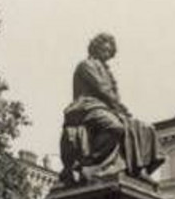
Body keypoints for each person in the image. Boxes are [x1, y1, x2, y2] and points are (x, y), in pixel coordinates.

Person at [60, 33, 166, 185]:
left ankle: (139, 169)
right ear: (95, 47)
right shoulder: (86, 65)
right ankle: (92, 164)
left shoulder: (105, 70)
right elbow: (101, 89)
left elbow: (111, 95)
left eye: (110, 52)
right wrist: (119, 107)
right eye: (105, 50)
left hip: (105, 108)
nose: (107, 54)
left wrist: (120, 109)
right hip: (87, 107)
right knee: (115, 127)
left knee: (145, 128)